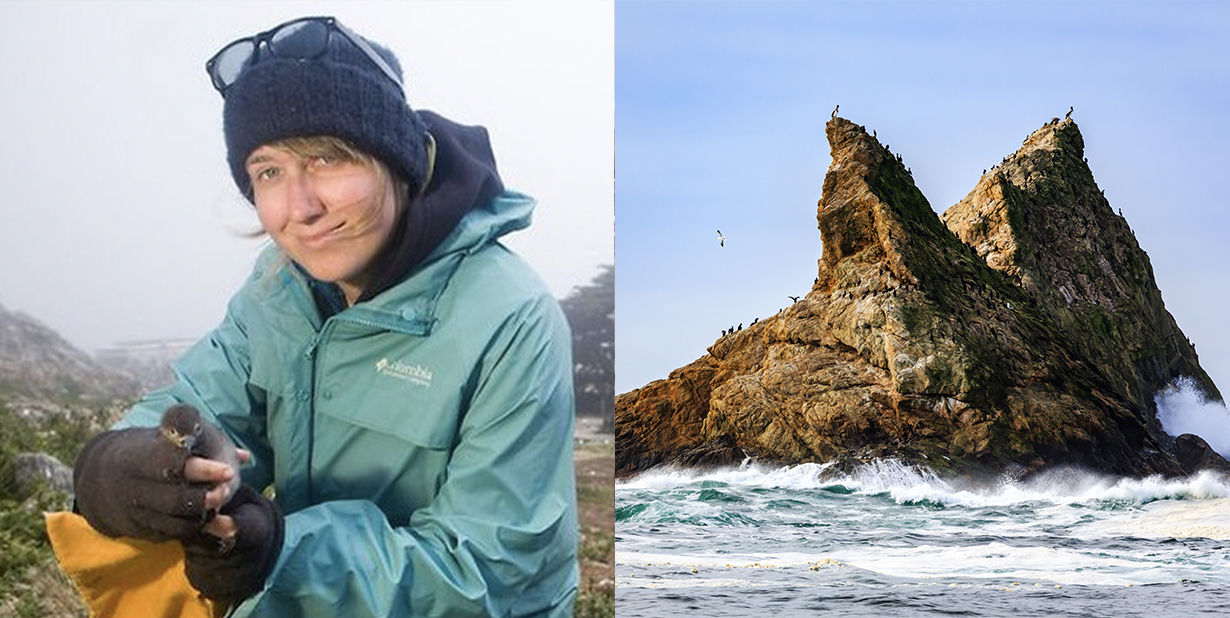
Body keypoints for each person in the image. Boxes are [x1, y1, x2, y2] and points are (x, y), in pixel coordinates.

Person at [71, 15, 578, 617]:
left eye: (328, 159)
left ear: (398, 158)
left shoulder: (511, 318)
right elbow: (204, 402)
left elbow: (491, 571)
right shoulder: (278, 286)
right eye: (269, 172)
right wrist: (121, 464)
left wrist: (278, 553)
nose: (300, 207)